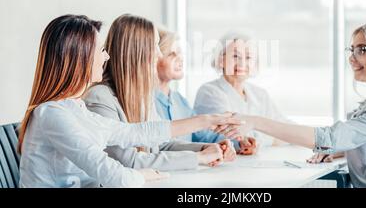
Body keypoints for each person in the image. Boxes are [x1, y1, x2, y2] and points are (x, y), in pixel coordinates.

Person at [18, 15, 238, 188]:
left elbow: (133, 133)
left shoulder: (74, 108)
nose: (106, 57)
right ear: (80, 57)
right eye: (101, 51)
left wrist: (205, 121)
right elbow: (117, 176)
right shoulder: (52, 114)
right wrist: (142, 175)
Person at [217, 22, 366, 188]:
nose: (352, 58)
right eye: (352, 49)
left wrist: (254, 122)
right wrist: (343, 152)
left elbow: (329, 138)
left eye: (362, 49)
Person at [84, 14, 236, 172]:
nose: (159, 54)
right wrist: (199, 158)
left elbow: (161, 144)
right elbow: (128, 162)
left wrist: (205, 148)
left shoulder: (143, 96)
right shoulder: (99, 97)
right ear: (136, 52)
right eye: (154, 46)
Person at [194, 31, 291, 154]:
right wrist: (274, 137)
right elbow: (233, 135)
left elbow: (284, 126)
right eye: (235, 56)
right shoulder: (209, 92)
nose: (242, 63)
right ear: (220, 60)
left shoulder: (260, 94)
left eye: (248, 57)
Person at [155, 28, 237, 160]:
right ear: (153, 58)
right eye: (171, 54)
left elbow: (203, 135)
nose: (180, 58)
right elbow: (161, 147)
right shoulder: (145, 102)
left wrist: (238, 143)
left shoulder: (179, 100)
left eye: (180, 53)